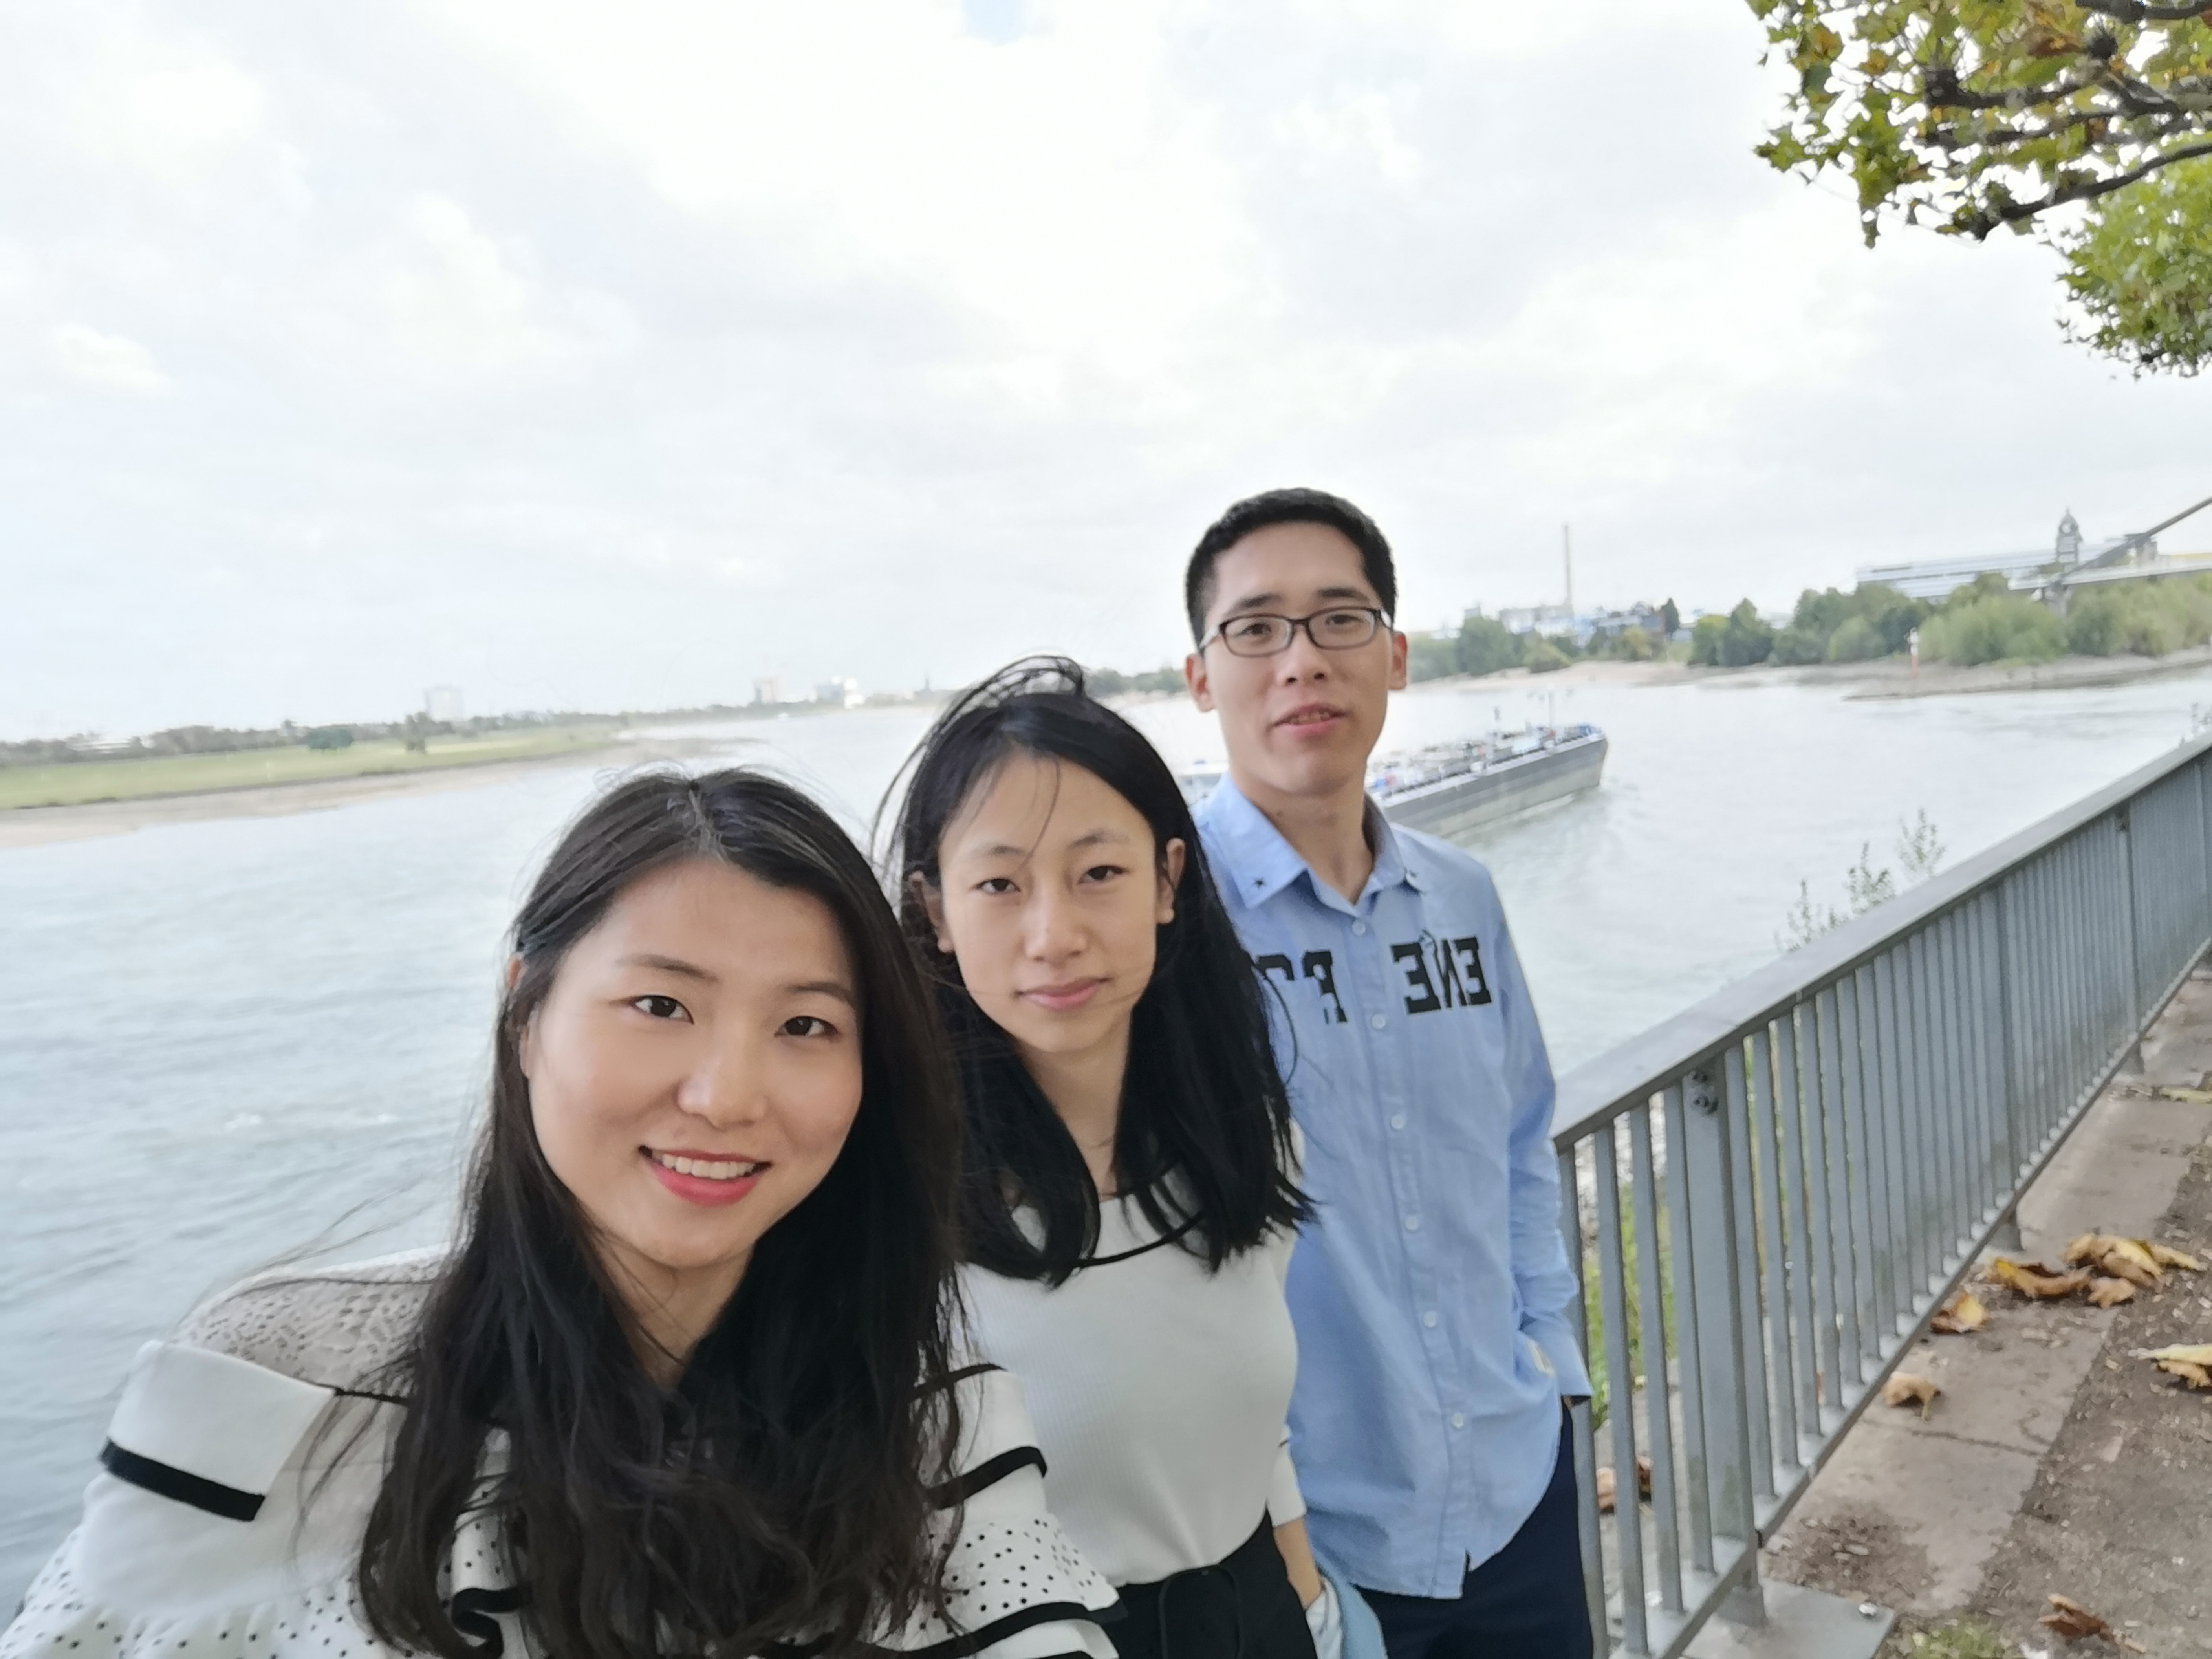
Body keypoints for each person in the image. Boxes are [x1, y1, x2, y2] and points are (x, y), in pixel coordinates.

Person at [1, 770, 1117, 1659]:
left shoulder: (927, 1416)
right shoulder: (284, 1385)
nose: (727, 1096)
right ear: (524, 1012)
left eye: (805, 1027)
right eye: (660, 1004)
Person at [1180, 490, 1595, 1659]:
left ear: (1395, 656)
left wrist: (1553, 1364)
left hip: (1516, 1490)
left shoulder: (1462, 897)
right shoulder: (1167, 928)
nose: (1301, 660)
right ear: (1201, 677)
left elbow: (1517, 1143)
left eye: (1339, 619)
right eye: (1255, 628)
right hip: (1302, 1542)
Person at [885, 659, 1334, 1659]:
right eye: (998, 885)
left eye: (1098, 874)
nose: (1053, 936)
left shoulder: (1243, 1141)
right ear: (935, 911)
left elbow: (1247, 1424)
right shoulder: (896, 1211)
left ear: (1167, 881)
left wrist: (1311, 1605)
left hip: (1262, 1618)